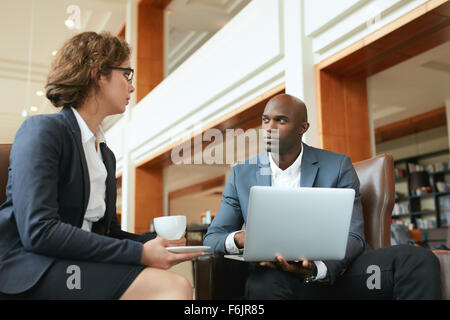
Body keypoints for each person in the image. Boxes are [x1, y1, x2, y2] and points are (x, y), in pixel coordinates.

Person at [0, 32, 204, 300]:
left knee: (171, 282)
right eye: (126, 74)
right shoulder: (43, 131)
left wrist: (156, 244)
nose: (132, 87)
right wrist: (141, 253)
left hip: (70, 263)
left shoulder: (104, 153)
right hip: (30, 267)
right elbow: (40, 232)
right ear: (99, 74)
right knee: (174, 287)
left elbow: (108, 233)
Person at [204, 93, 442, 299]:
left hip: (338, 274)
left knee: (417, 259)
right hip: (278, 278)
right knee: (263, 286)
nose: (269, 127)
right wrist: (240, 239)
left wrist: (318, 269)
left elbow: (354, 236)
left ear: (302, 128)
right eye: (266, 120)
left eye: (281, 120)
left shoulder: (337, 165)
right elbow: (213, 238)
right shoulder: (241, 174)